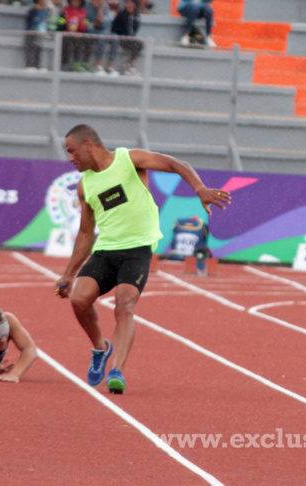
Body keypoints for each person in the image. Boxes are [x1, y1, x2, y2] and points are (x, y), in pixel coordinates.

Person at [54, 124, 230, 394]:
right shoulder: (85, 185)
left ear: (88, 145)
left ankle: (117, 370)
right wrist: (68, 274)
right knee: (79, 299)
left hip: (137, 250)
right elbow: (87, 233)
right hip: (106, 250)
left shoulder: (129, 160)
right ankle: (100, 347)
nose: (69, 159)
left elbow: (175, 164)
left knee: (124, 306)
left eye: (72, 151)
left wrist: (200, 189)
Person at [105, 0, 143, 76]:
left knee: (139, 45)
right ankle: (110, 65)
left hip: (128, 38)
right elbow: (115, 28)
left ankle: (130, 63)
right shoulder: (121, 14)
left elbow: (134, 30)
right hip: (120, 37)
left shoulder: (136, 17)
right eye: (128, 4)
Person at [24, 0, 49, 71]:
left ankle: (37, 65)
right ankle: (29, 65)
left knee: (38, 49)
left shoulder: (44, 11)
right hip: (32, 33)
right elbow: (29, 21)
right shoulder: (33, 10)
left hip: (40, 34)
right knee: (31, 49)